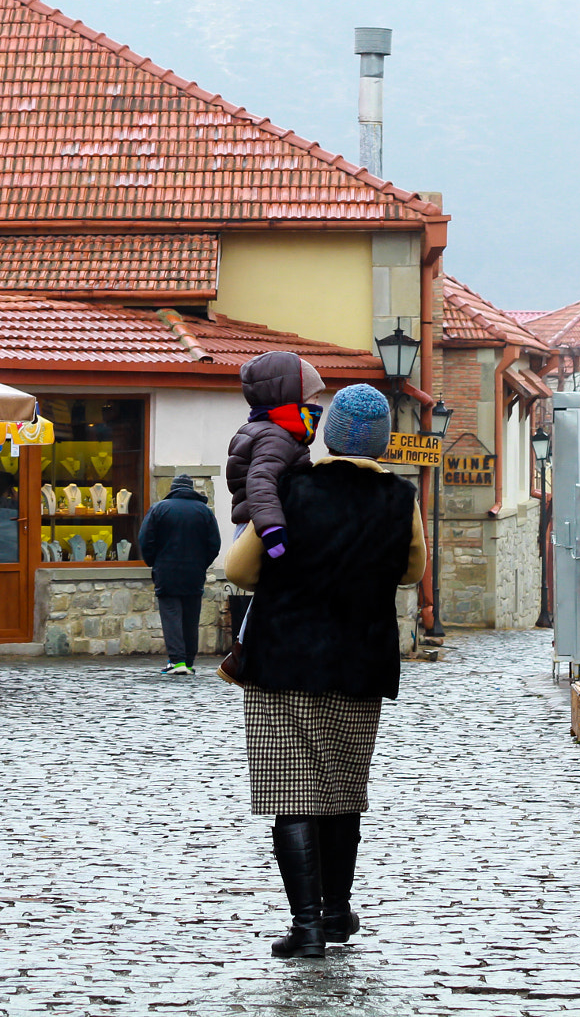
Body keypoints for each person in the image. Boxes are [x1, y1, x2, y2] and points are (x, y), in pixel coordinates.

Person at [221, 383, 425, 959]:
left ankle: (307, 927)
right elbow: (411, 570)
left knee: (292, 794)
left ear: (328, 432)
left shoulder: (289, 489)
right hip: (360, 660)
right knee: (342, 791)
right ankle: (336, 912)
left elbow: (239, 570)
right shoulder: (399, 497)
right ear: (381, 440)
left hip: (282, 659)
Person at [224, 350, 326, 561]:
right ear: (290, 398)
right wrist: (271, 528)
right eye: (314, 398)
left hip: (258, 525)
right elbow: (261, 479)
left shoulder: (266, 430)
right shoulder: (275, 436)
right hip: (264, 532)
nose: (317, 407)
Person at [136, 474, 221, 675]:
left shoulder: (159, 509)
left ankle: (177, 661)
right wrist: (202, 564)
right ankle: (189, 662)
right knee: (191, 618)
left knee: (171, 616)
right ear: (191, 489)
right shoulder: (204, 512)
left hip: (166, 571)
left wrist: (154, 563)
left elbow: (145, 540)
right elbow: (214, 545)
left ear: (173, 489)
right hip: (194, 572)